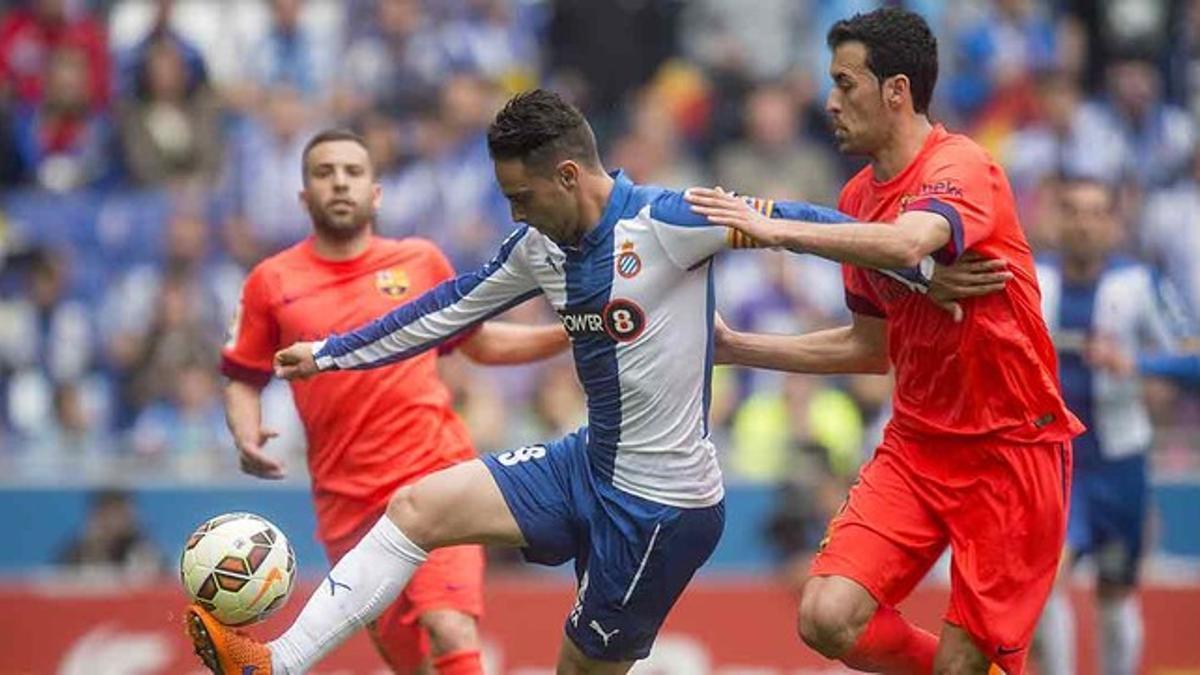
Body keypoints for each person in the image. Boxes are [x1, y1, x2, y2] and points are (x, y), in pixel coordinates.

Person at [184, 88, 989, 675]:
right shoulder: (537, 245)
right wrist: (328, 354)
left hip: (661, 508)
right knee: (417, 508)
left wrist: (921, 267)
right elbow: (446, 308)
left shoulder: (670, 223)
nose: (514, 213)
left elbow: (810, 223)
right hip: (586, 465)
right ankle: (276, 663)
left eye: (522, 196)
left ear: (569, 175)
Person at [688, 8, 1083, 675]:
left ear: (896, 91)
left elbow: (909, 240)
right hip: (917, 445)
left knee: (963, 663)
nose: (830, 101)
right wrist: (735, 345)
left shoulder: (963, 166)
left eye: (846, 84)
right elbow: (870, 348)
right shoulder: (856, 198)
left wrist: (777, 226)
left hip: (1009, 452)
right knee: (825, 615)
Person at [218, 128, 569, 674]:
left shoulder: (420, 262)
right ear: (303, 196)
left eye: (353, 172)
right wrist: (244, 431)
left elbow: (475, 343)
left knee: (449, 626)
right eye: (324, 172)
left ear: (375, 193)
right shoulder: (271, 282)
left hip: (436, 472)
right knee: (413, 664)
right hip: (347, 500)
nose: (340, 183)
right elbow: (242, 374)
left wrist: (568, 333)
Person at [1031, 177, 1182, 675]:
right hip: (1053, 464)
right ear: (1056, 217)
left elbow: (1192, 358)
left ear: (1113, 223)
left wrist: (1136, 364)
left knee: (1115, 591)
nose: (1083, 222)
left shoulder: (1139, 283)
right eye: (1072, 210)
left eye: (1096, 212)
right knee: (1046, 581)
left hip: (1119, 465)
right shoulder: (1033, 278)